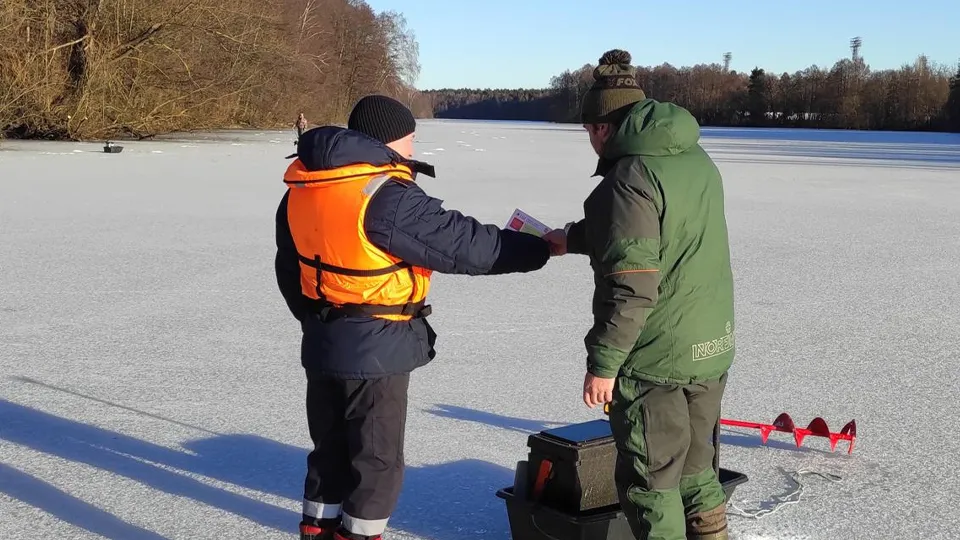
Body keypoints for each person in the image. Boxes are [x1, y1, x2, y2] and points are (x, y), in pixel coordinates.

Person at [275, 94, 551, 540]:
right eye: (410, 138)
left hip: (324, 339)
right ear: (388, 140)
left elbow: (289, 269)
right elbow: (465, 246)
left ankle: (316, 530)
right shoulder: (385, 195)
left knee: (329, 451)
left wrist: (318, 321)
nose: (412, 149)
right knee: (376, 461)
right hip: (377, 345)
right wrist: (539, 248)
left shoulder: (305, 187)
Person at [544, 50, 736, 540]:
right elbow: (652, 233)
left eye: (588, 131)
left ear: (602, 127)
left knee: (652, 484)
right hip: (709, 345)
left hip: (656, 360)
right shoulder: (693, 159)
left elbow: (631, 284)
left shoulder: (630, 177)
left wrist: (604, 364)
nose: (590, 141)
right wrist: (574, 237)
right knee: (697, 471)